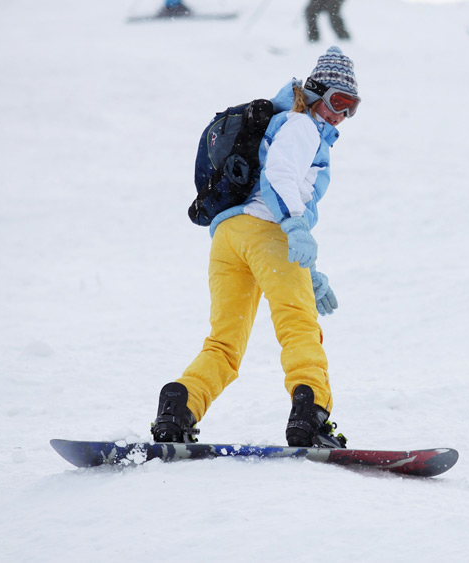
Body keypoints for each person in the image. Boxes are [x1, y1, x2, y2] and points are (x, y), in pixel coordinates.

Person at [151, 46, 361, 448]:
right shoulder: (302, 126)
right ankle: (310, 418)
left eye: (352, 107)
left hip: (230, 238)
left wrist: (309, 273)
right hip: (268, 234)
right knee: (300, 329)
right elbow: (280, 177)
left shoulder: (285, 123)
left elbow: (272, 188)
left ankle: (179, 408)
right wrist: (295, 228)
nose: (342, 114)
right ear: (317, 93)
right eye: (338, 101)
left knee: (224, 343)